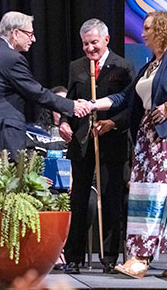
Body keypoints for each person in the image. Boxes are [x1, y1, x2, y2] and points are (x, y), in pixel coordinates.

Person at [90, 10, 167, 278]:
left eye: (147, 28)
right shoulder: (149, 66)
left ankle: (144, 257)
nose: (142, 33)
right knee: (155, 193)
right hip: (150, 139)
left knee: (165, 194)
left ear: (162, 29)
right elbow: (125, 98)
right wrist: (92, 104)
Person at [0, 11, 92, 168]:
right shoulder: (11, 58)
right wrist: (72, 106)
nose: (33, 39)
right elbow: (37, 93)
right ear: (15, 33)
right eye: (30, 34)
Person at [59, 18, 135, 274]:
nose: (89, 49)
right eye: (85, 44)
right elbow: (69, 101)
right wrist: (64, 123)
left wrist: (113, 123)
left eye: (93, 43)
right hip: (82, 143)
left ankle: (110, 257)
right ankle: (73, 258)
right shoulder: (76, 66)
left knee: (111, 200)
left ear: (106, 39)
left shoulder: (123, 67)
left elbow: (131, 107)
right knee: (79, 201)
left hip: (112, 143)